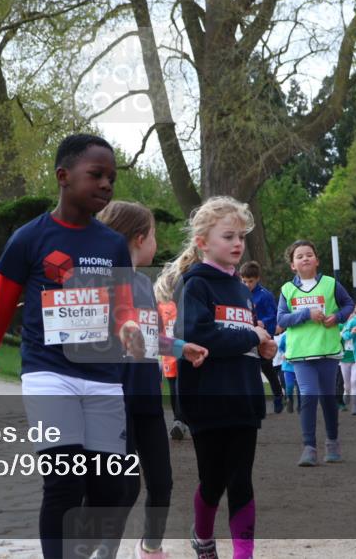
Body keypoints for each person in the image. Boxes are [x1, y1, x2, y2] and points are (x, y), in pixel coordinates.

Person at [0, 134, 148, 558]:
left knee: (109, 486)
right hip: (48, 375)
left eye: (112, 178)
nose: (106, 185)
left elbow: (124, 308)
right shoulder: (29, 238)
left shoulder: (111, 244)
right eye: (96, 175)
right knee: (63, 479)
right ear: (63, 176)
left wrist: (130, 328)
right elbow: (0, 310)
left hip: (102, 379)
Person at [157, 196, 275, 559]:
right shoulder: (195, 285)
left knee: (242, 479)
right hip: (207, 399)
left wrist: (262, 348)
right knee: (214, 480)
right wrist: (252, 336)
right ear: (203, 241)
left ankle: (244, 554)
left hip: (244, 396)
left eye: (241, 237)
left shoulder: (243, 289)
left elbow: (240, 339)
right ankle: (203, 537)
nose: (238, 244)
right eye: (229, 236)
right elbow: (201, 337)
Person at [96, 200, 209, 559]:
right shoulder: (98, 282)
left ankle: (150, 548)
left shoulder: (144, 286)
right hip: (114, 401)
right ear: (139, 238)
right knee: (125, 487)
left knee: (162, 483)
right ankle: (104, 552)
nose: (156, 244)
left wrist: (181, 347)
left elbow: (153, 337)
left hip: (147, 399)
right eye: (155, 236)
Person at [276, 239, 355, 466]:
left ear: (317, 260)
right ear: (293, 265)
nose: (305, 258)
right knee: (309, 395)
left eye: (309, 254)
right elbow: (281, 319)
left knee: (328, 399)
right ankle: (309, 447)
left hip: (327, 350)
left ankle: (332, 442)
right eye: (299, 256)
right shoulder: (287, 290)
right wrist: (306, 314)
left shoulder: (331, 284)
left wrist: (337, 317)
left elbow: (349, 304)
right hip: (301, 353)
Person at [241, 261, 285, 413]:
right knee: (250, 371)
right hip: (246, 337)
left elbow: (273, 317)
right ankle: (254, 405)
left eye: (250, 281)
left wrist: (263, 323)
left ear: (257, 279)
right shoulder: (239, 293)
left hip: (263, 339)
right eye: (244, 281)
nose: (247, 284)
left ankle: (278, 395)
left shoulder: (265, 295)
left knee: (267, 370)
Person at [155, 275, 189, 441]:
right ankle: (178, 420)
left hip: (184, 351)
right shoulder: (160, 306)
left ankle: (180, 420)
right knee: (174, 387)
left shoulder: (184, 303)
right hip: (168, 353)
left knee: (183, 387)